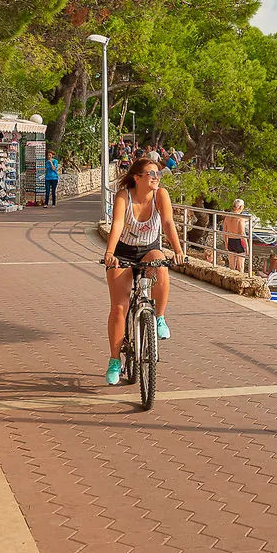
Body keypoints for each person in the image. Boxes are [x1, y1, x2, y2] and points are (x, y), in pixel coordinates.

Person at [101, 157, 184, 385]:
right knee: (119, 308)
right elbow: (117, 224)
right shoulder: (123, 196)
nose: (156, 178)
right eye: (151, 173)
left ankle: (159, 318)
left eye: (157, 174)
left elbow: (167, 223)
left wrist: (178, 250)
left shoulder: (160, 195)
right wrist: (110, 253)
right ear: (137, 178)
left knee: (161, 264)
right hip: (123, 251)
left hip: (149, 249)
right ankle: (115, 360)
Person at [222, 198, 250, 271]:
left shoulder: (227, 217)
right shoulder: (240, 218)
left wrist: (226, 242)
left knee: (231, 266)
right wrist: (247, 246)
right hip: (239, 242)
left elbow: (224, 231)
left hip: (230, 240)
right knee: (240, 266)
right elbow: (242, 233)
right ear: (241, 207)